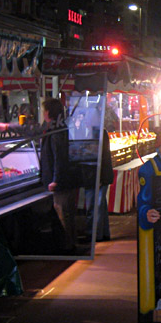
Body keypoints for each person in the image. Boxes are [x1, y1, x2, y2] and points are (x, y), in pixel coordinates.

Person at [40, 97, 78, 251]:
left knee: (63, 213)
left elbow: (58, 156)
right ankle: (69, 243)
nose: (43, 114)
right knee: (67, 213)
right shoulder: (59, 128)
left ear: (48, 112)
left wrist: (55, 179)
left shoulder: (55, 130)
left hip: (60, 182)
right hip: (64, 180)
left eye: (44, 110)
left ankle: (68, 246)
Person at [84, 125, 114, 242]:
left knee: (94, 206)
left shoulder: (97, 132)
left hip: (96, 175)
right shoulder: (100, 131)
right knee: (100, 206)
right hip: (99, 175)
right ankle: (103, 233)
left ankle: (94, 235)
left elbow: (100, 156)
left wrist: (99, 177)